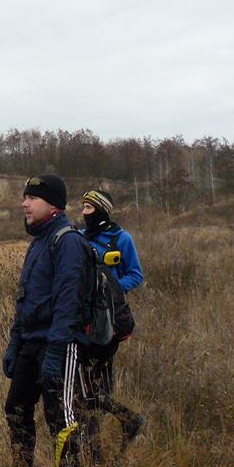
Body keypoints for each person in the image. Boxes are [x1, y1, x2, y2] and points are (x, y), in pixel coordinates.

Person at [0, 174, 94, 467]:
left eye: (32, 198)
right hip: (31, 343)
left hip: (59, 343)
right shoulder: (39, 243)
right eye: (25, 197)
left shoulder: (68, 242)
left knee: (61, 417)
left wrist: (56, 352)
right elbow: (25, 300)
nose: (24, 204)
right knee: (16, 408)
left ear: (53, 204)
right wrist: (14, 344)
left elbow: (68, 303)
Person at [80, 189, 147, 449]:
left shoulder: (121, 238)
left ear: (101, 210)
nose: (83, 212)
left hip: (111, 319)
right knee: (89, 387)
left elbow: (136, 275)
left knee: (94, 386)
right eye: (83, 207)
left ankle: (115, 430)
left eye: (88, 207)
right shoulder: (79, 237)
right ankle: (115, 428)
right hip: (85, 318)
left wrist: (110, 289)